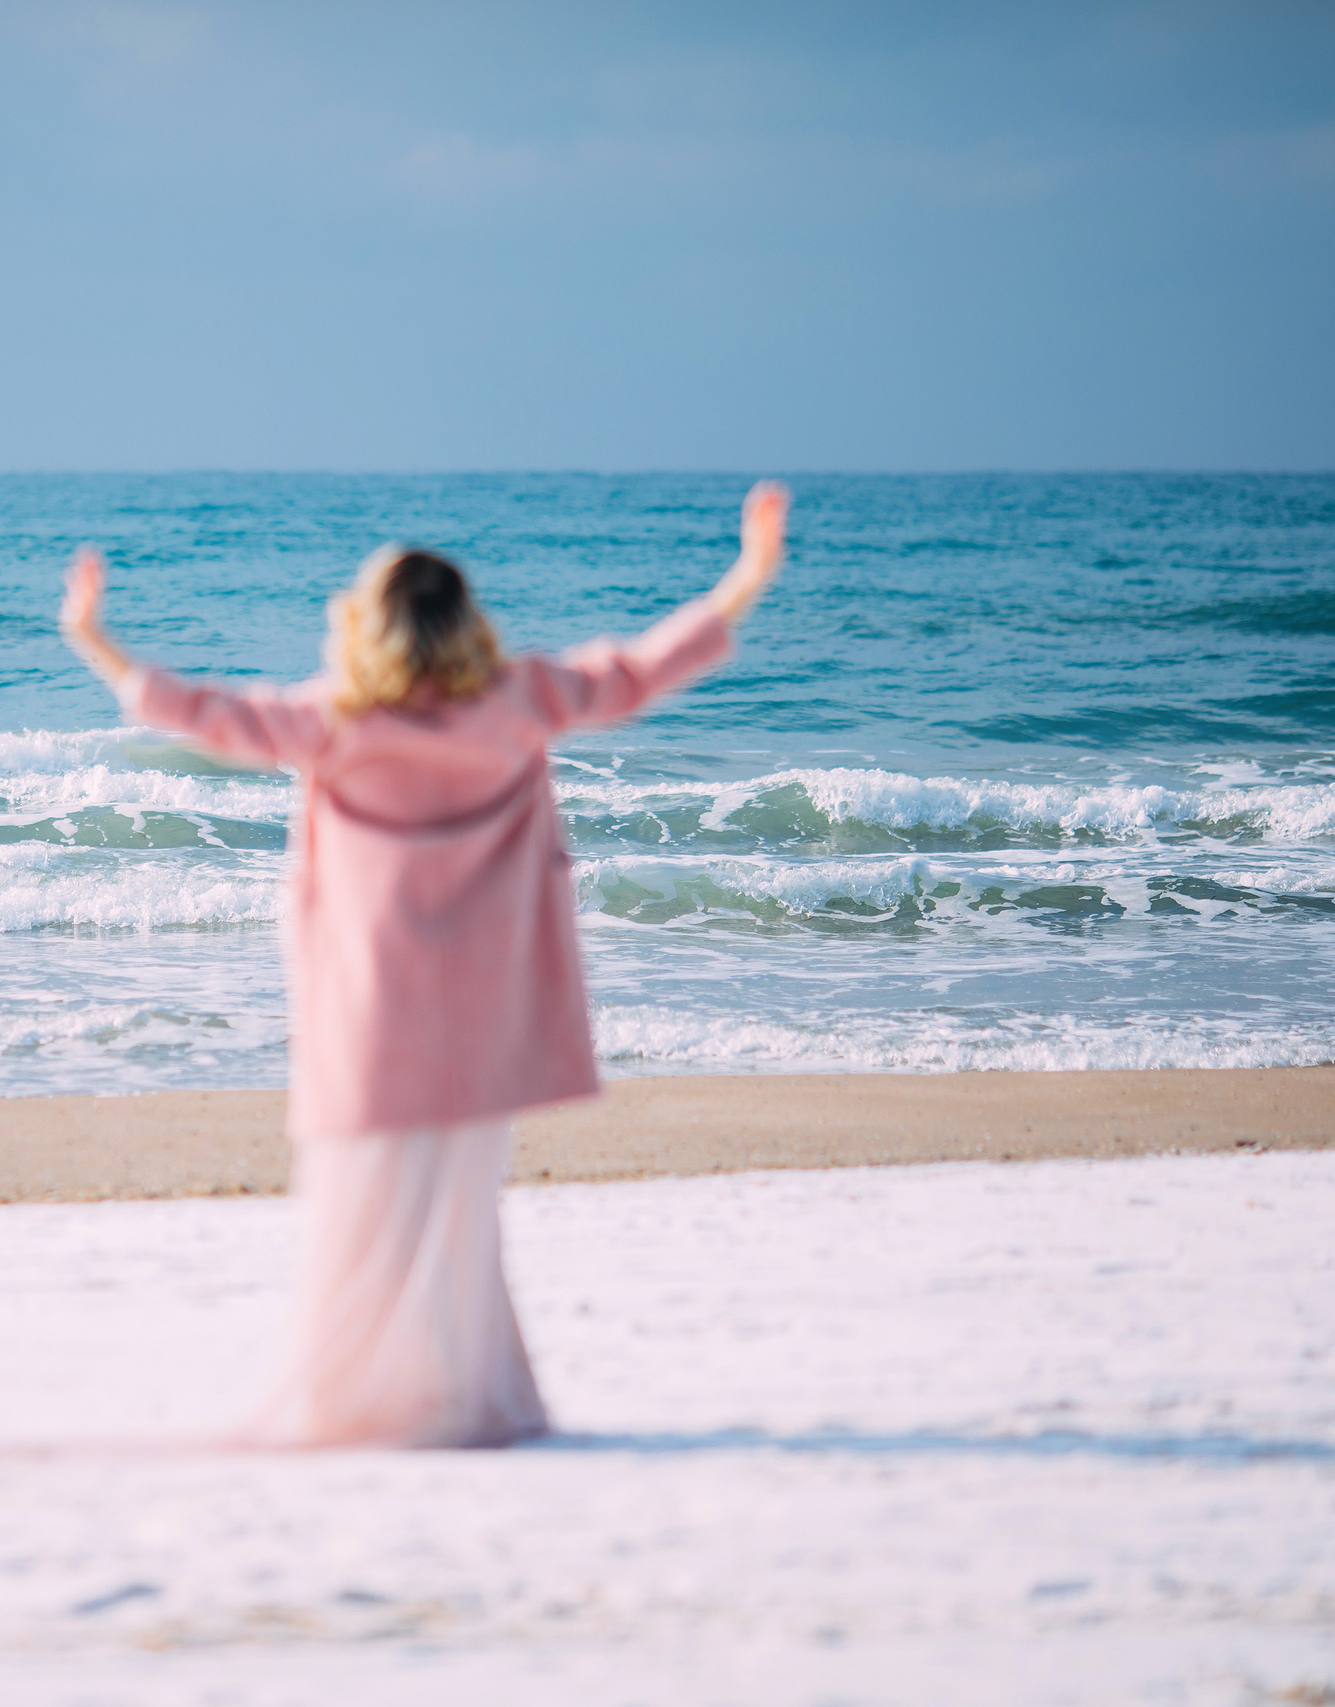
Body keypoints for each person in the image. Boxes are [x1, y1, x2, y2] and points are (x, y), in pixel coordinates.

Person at [60, 482, 790, 1448]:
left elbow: (208, 714)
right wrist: (749, 574)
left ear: (369, 624)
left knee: (362, 1205)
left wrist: (95, 639)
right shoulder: (520, 702)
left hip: (374, 1003)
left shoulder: (336, 722)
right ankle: (467, 1398)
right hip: (488, 1002)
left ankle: (357, 1398)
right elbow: (639, 672)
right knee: (462, 1217)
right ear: (465, 623)